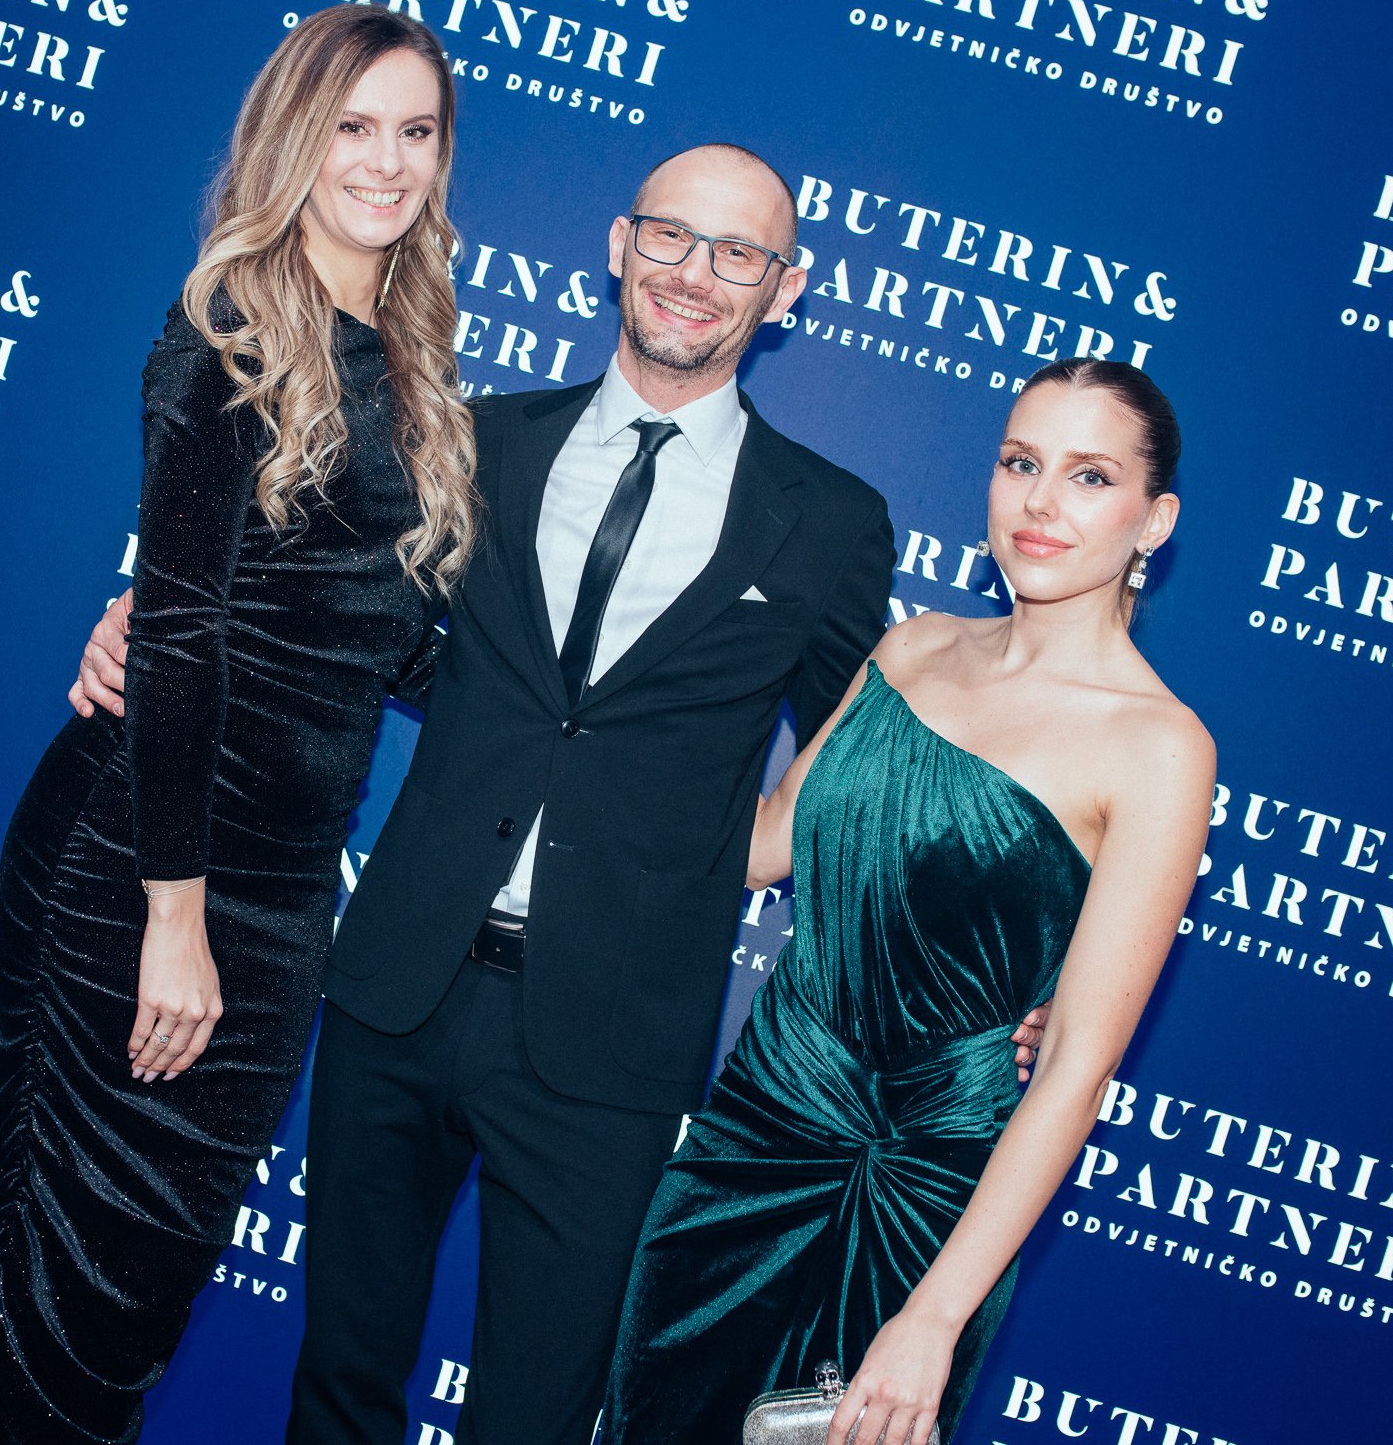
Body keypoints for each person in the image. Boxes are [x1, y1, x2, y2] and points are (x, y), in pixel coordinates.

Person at [78, 144, 1041, 1442]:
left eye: (738, 254)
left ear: (787, 289)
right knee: (338, 1387)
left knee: (534, 1419)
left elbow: (867, 777)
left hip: (615, 1041)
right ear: (616, 246)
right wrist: (151, 619)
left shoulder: (830, 522)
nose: (696, 276)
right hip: (397, 991)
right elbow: (336, 631)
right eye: (671, 237)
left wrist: (996, 983)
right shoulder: (472, 443)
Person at [0, 4, 477, 1445]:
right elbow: (176, 626)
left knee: (106, 1303)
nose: (387, 163)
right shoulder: (233, 322)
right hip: (143, 864)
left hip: (283, 891)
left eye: (416, 132)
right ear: (295, 137)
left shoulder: (415, 353)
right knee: (69, 1291)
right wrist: (175, 917)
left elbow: (374, 641)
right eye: (355, 127)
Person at [602, 359, 1212, 1445]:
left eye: (1086, 477)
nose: (1036, 501)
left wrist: (933, 1316)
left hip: (926, 1204)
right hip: (749, 1141)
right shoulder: (913, 644)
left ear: (1152, 519)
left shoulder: (1158, 747)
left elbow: (1072, 1068)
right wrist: (576, 730)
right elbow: (760, 846)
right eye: (1020, 462)